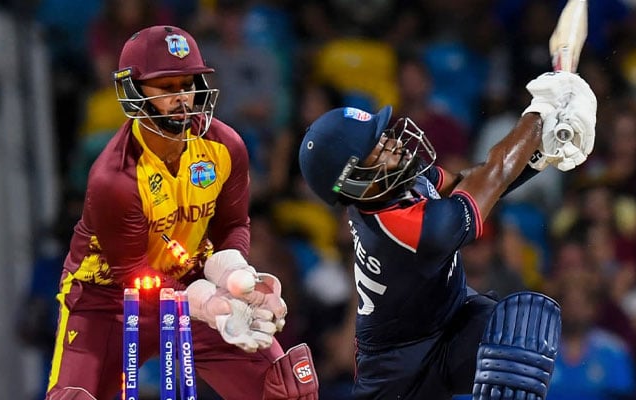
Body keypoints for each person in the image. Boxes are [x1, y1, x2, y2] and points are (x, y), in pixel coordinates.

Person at [45, 25, 318, 400]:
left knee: (285, 389)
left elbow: (234, 225)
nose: (183, 99)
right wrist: (207, 304)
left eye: (187, 84)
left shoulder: (225, 146)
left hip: (192, 281)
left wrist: (236, 277)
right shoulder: (115, 177)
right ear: (135, 91)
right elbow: (131, 274)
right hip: (107, 299)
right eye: (167, 88)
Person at [298, 70, 597, 399]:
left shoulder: (388, 183)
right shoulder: (404, 231)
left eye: (383, 136)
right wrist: (540, 113)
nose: (394, 143)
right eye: (378, 146)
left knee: (520, 330)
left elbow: (475, 180)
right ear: (353, 179)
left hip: (449, 322)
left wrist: (539, 155)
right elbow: (493, 176)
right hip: (399, 369)